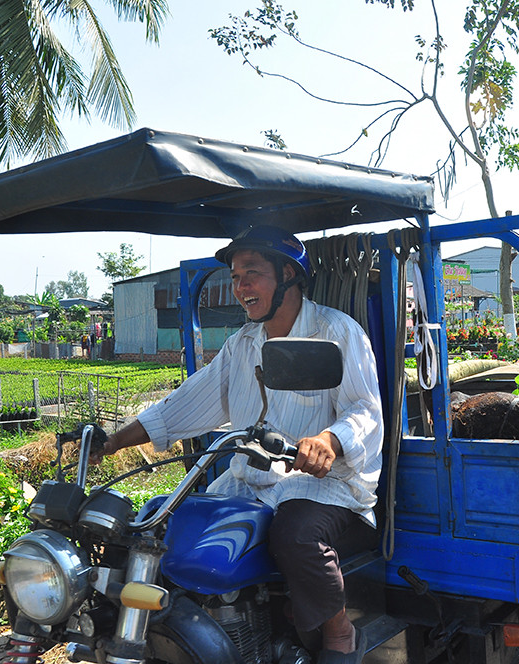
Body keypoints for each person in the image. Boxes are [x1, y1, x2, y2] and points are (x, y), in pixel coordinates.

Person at [94, 226, 383, 662]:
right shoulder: (241, 344)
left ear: (288, 275)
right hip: (250, 479)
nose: (240, 286)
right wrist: (114, 442)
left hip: (325, 485)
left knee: (295, 535)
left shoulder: (336, 331)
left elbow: (365, 410)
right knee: (160, 524)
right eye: (234, 276)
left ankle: (339, 632)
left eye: (252, 273)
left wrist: (328, 440)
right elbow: (184, 403)